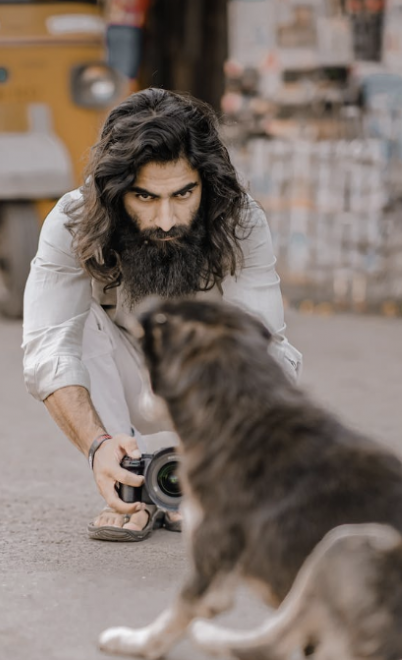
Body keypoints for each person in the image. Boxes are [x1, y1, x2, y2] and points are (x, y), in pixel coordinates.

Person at [22, 87, 301, 541]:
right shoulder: (72, 222)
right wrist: (98, 448)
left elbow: (262, 346)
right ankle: (129, 483)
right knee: (78, 327)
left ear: (207, 184)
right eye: (145, 198)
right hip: (117, 377)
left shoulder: (241, 220)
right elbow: (47, 348)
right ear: (114, 193)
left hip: (210, 385)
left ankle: (195, 482)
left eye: (184, 194)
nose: (167, 220)